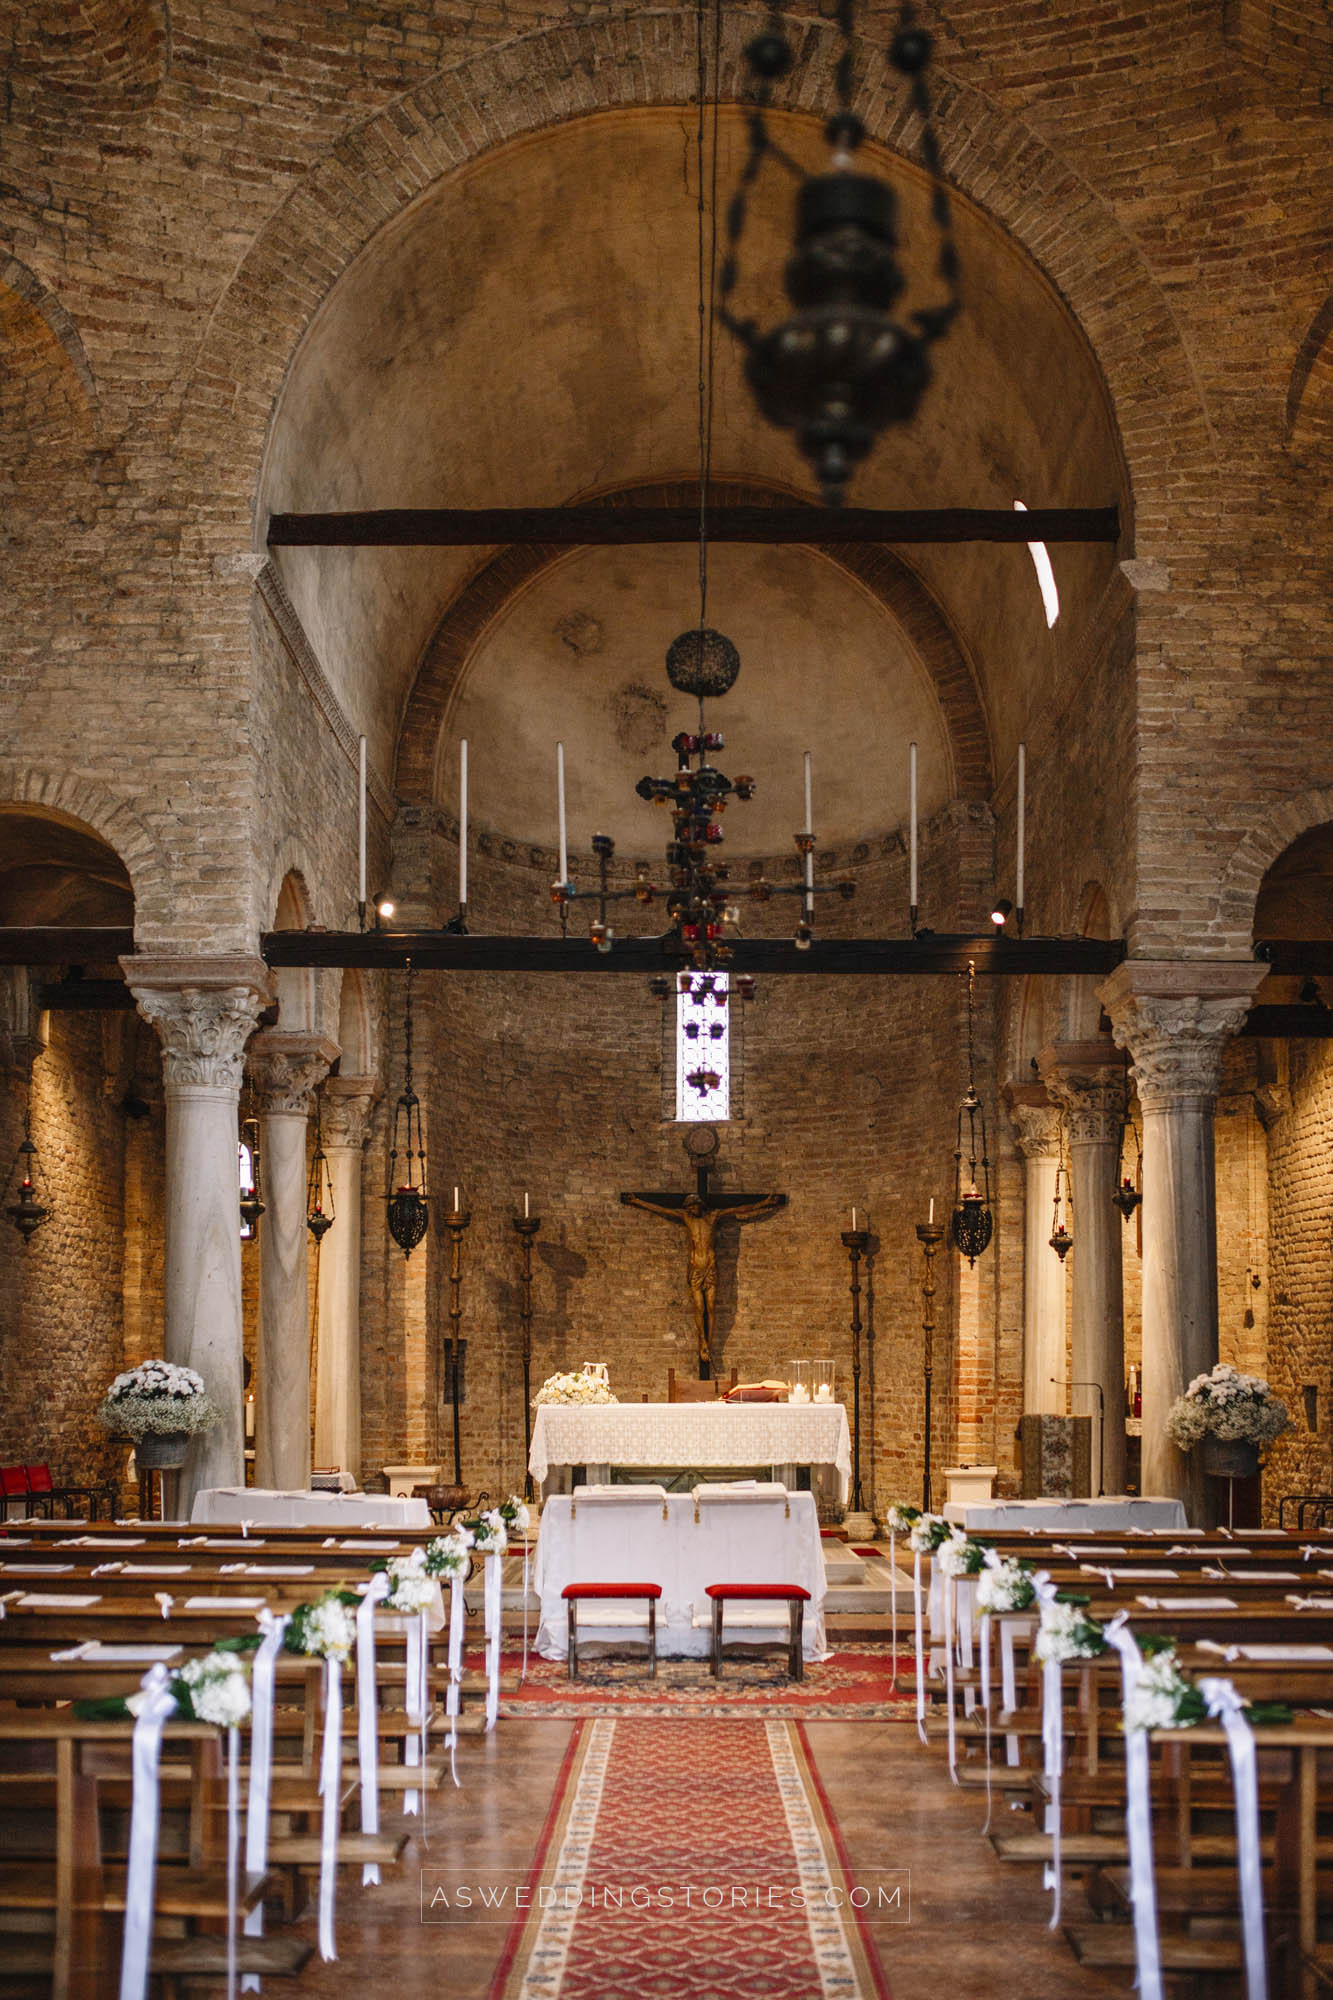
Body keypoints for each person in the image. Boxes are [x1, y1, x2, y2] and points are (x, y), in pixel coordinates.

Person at [620, 1189, 784, 1372]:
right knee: (699, 1307)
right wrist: (637, 1201)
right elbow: (662, 1210)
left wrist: (766, 1202)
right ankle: (702, 1340)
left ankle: (709, 1345)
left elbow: (742, 1208)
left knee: (711, 1307)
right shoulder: (686, 1218)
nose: (691, 1210)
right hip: (696, 1269)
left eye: (693, 1207)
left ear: (699, 1205)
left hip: (710, 1268)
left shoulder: (713, 1217)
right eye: (688, 1208)